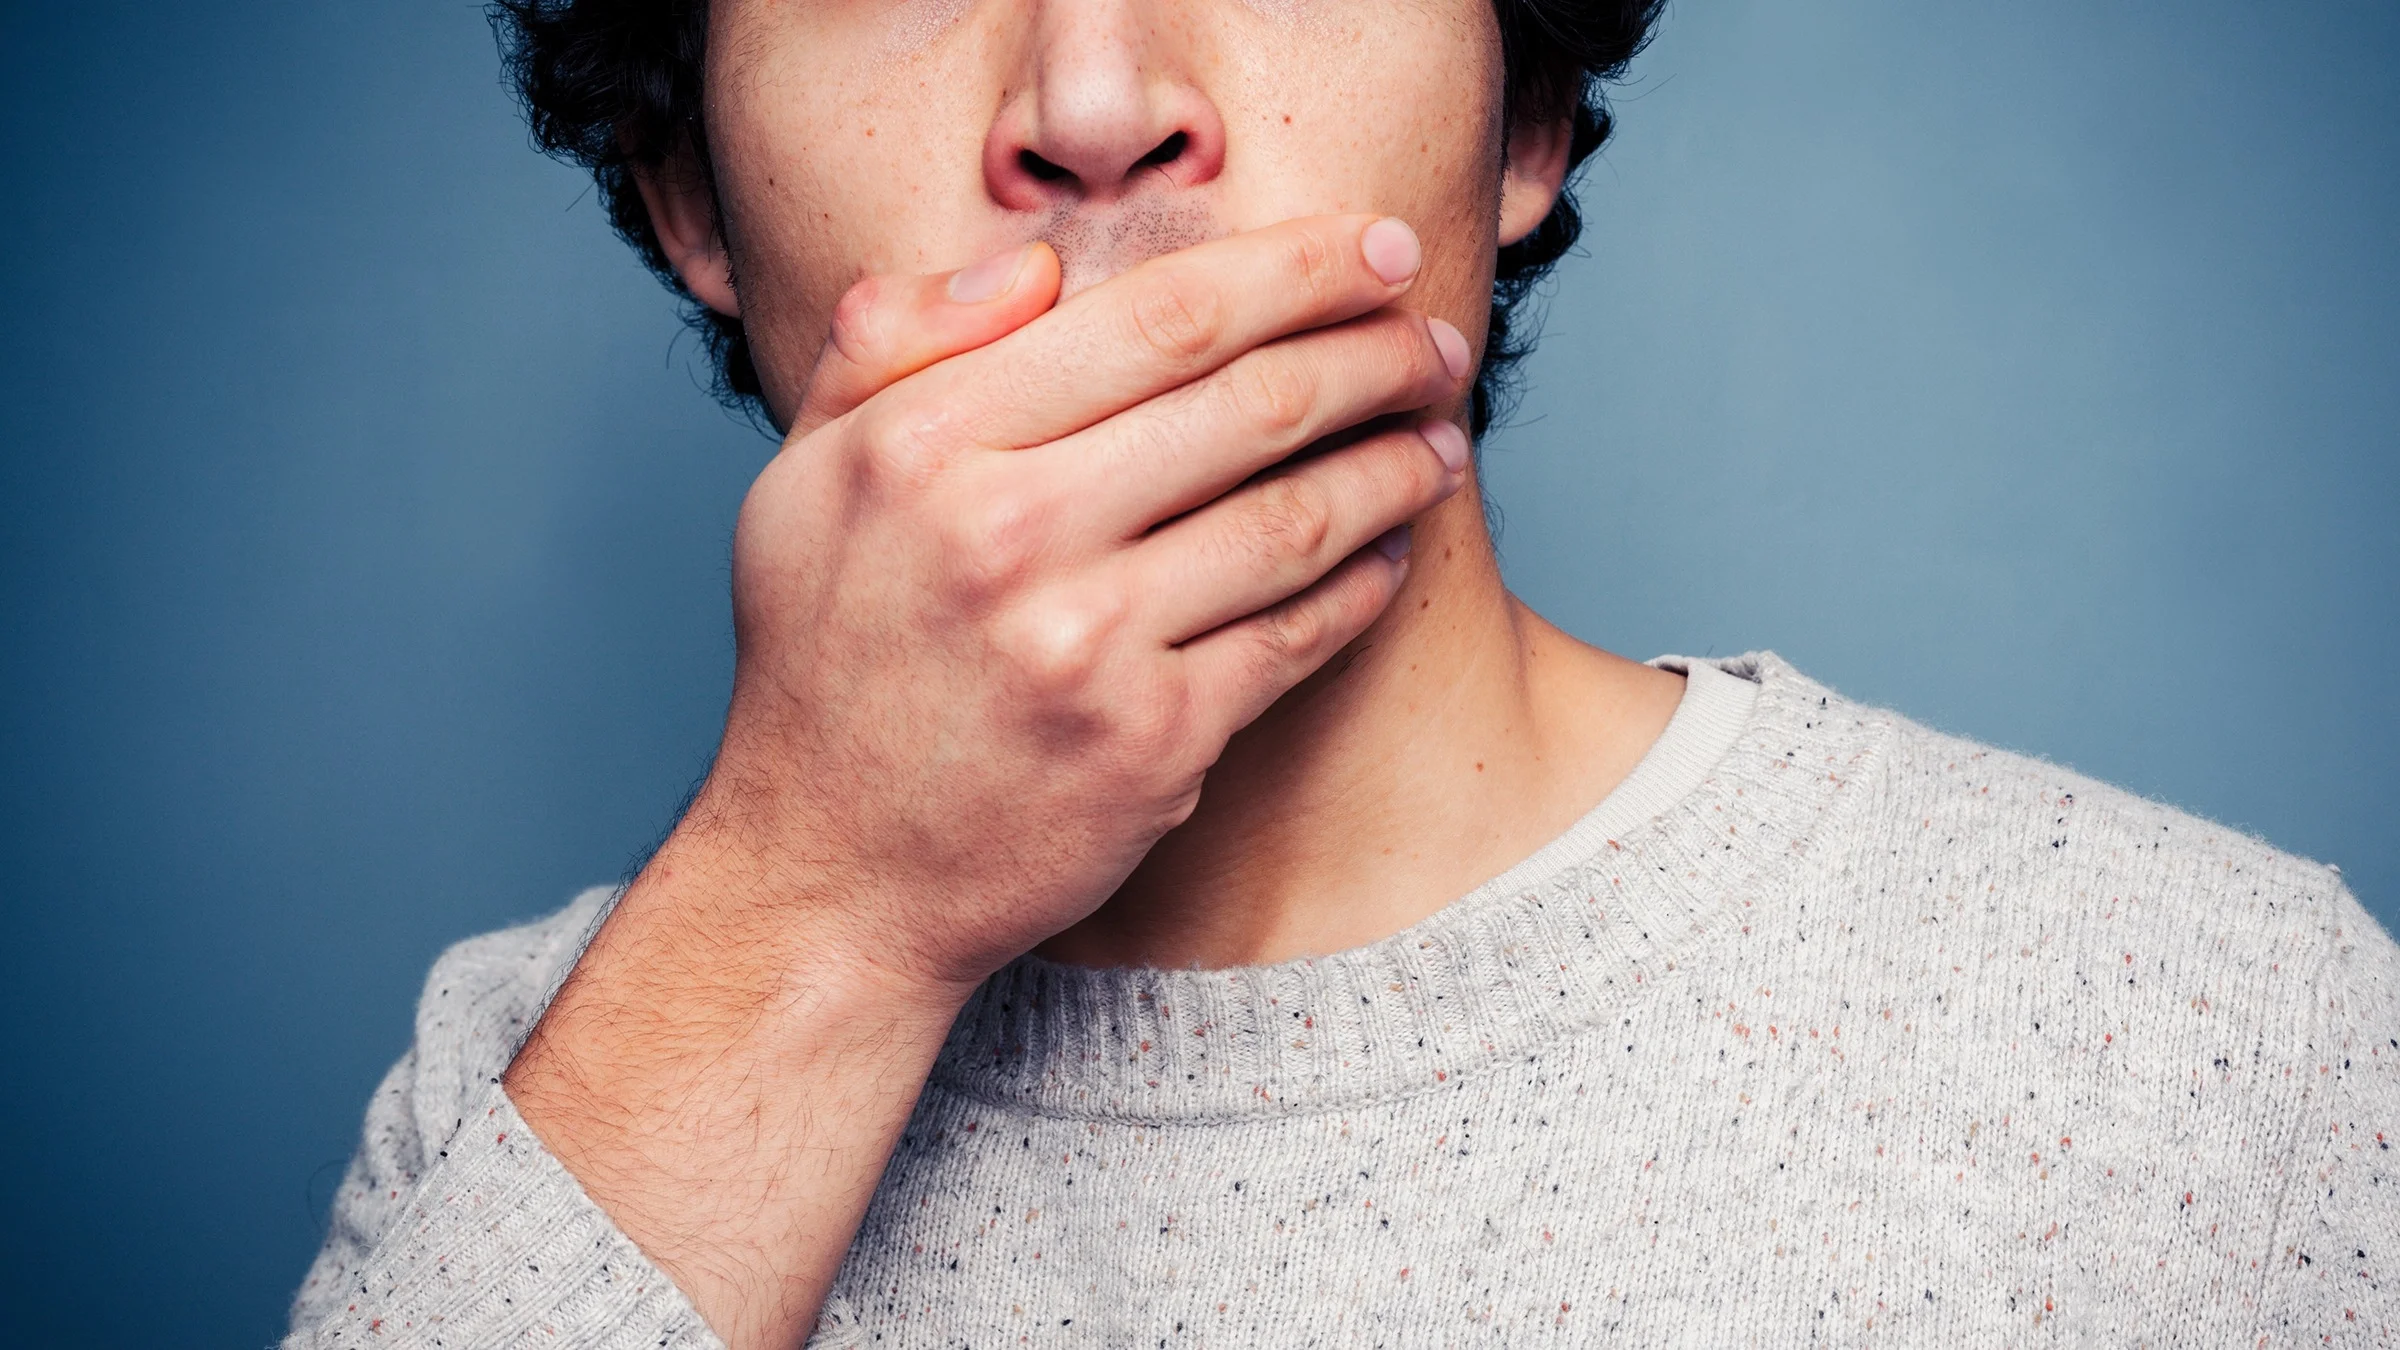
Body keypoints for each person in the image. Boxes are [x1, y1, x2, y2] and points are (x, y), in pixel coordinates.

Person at [285, 0, 2400, 1345]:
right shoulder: (545, 1099)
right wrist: (817, 902)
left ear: (1529, 117)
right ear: (690, 202)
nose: (1097, 106)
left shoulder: (2215, 1035)